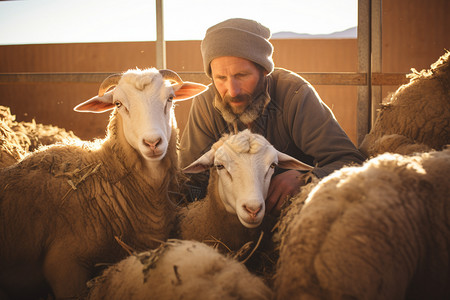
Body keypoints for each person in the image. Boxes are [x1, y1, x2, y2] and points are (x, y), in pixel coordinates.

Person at [179, 18, 366, 214]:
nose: (232, 91)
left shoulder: (294, 95)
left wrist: (307, 178)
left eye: (242, 75)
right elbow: (189, 180)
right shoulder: (206, 104)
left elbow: (350, 160)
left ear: (264, 71)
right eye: (221, 78)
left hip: (293, 215)